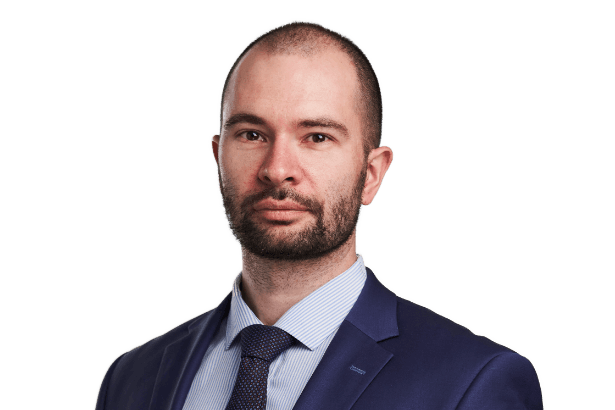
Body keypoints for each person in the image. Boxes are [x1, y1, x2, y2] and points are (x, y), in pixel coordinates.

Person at [94, 19, 545, 410]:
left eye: (317, 137)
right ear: (218, 157)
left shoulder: (472, 381)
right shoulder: (131, 378)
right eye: (251, 134)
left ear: (371, 173)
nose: (277, 169)